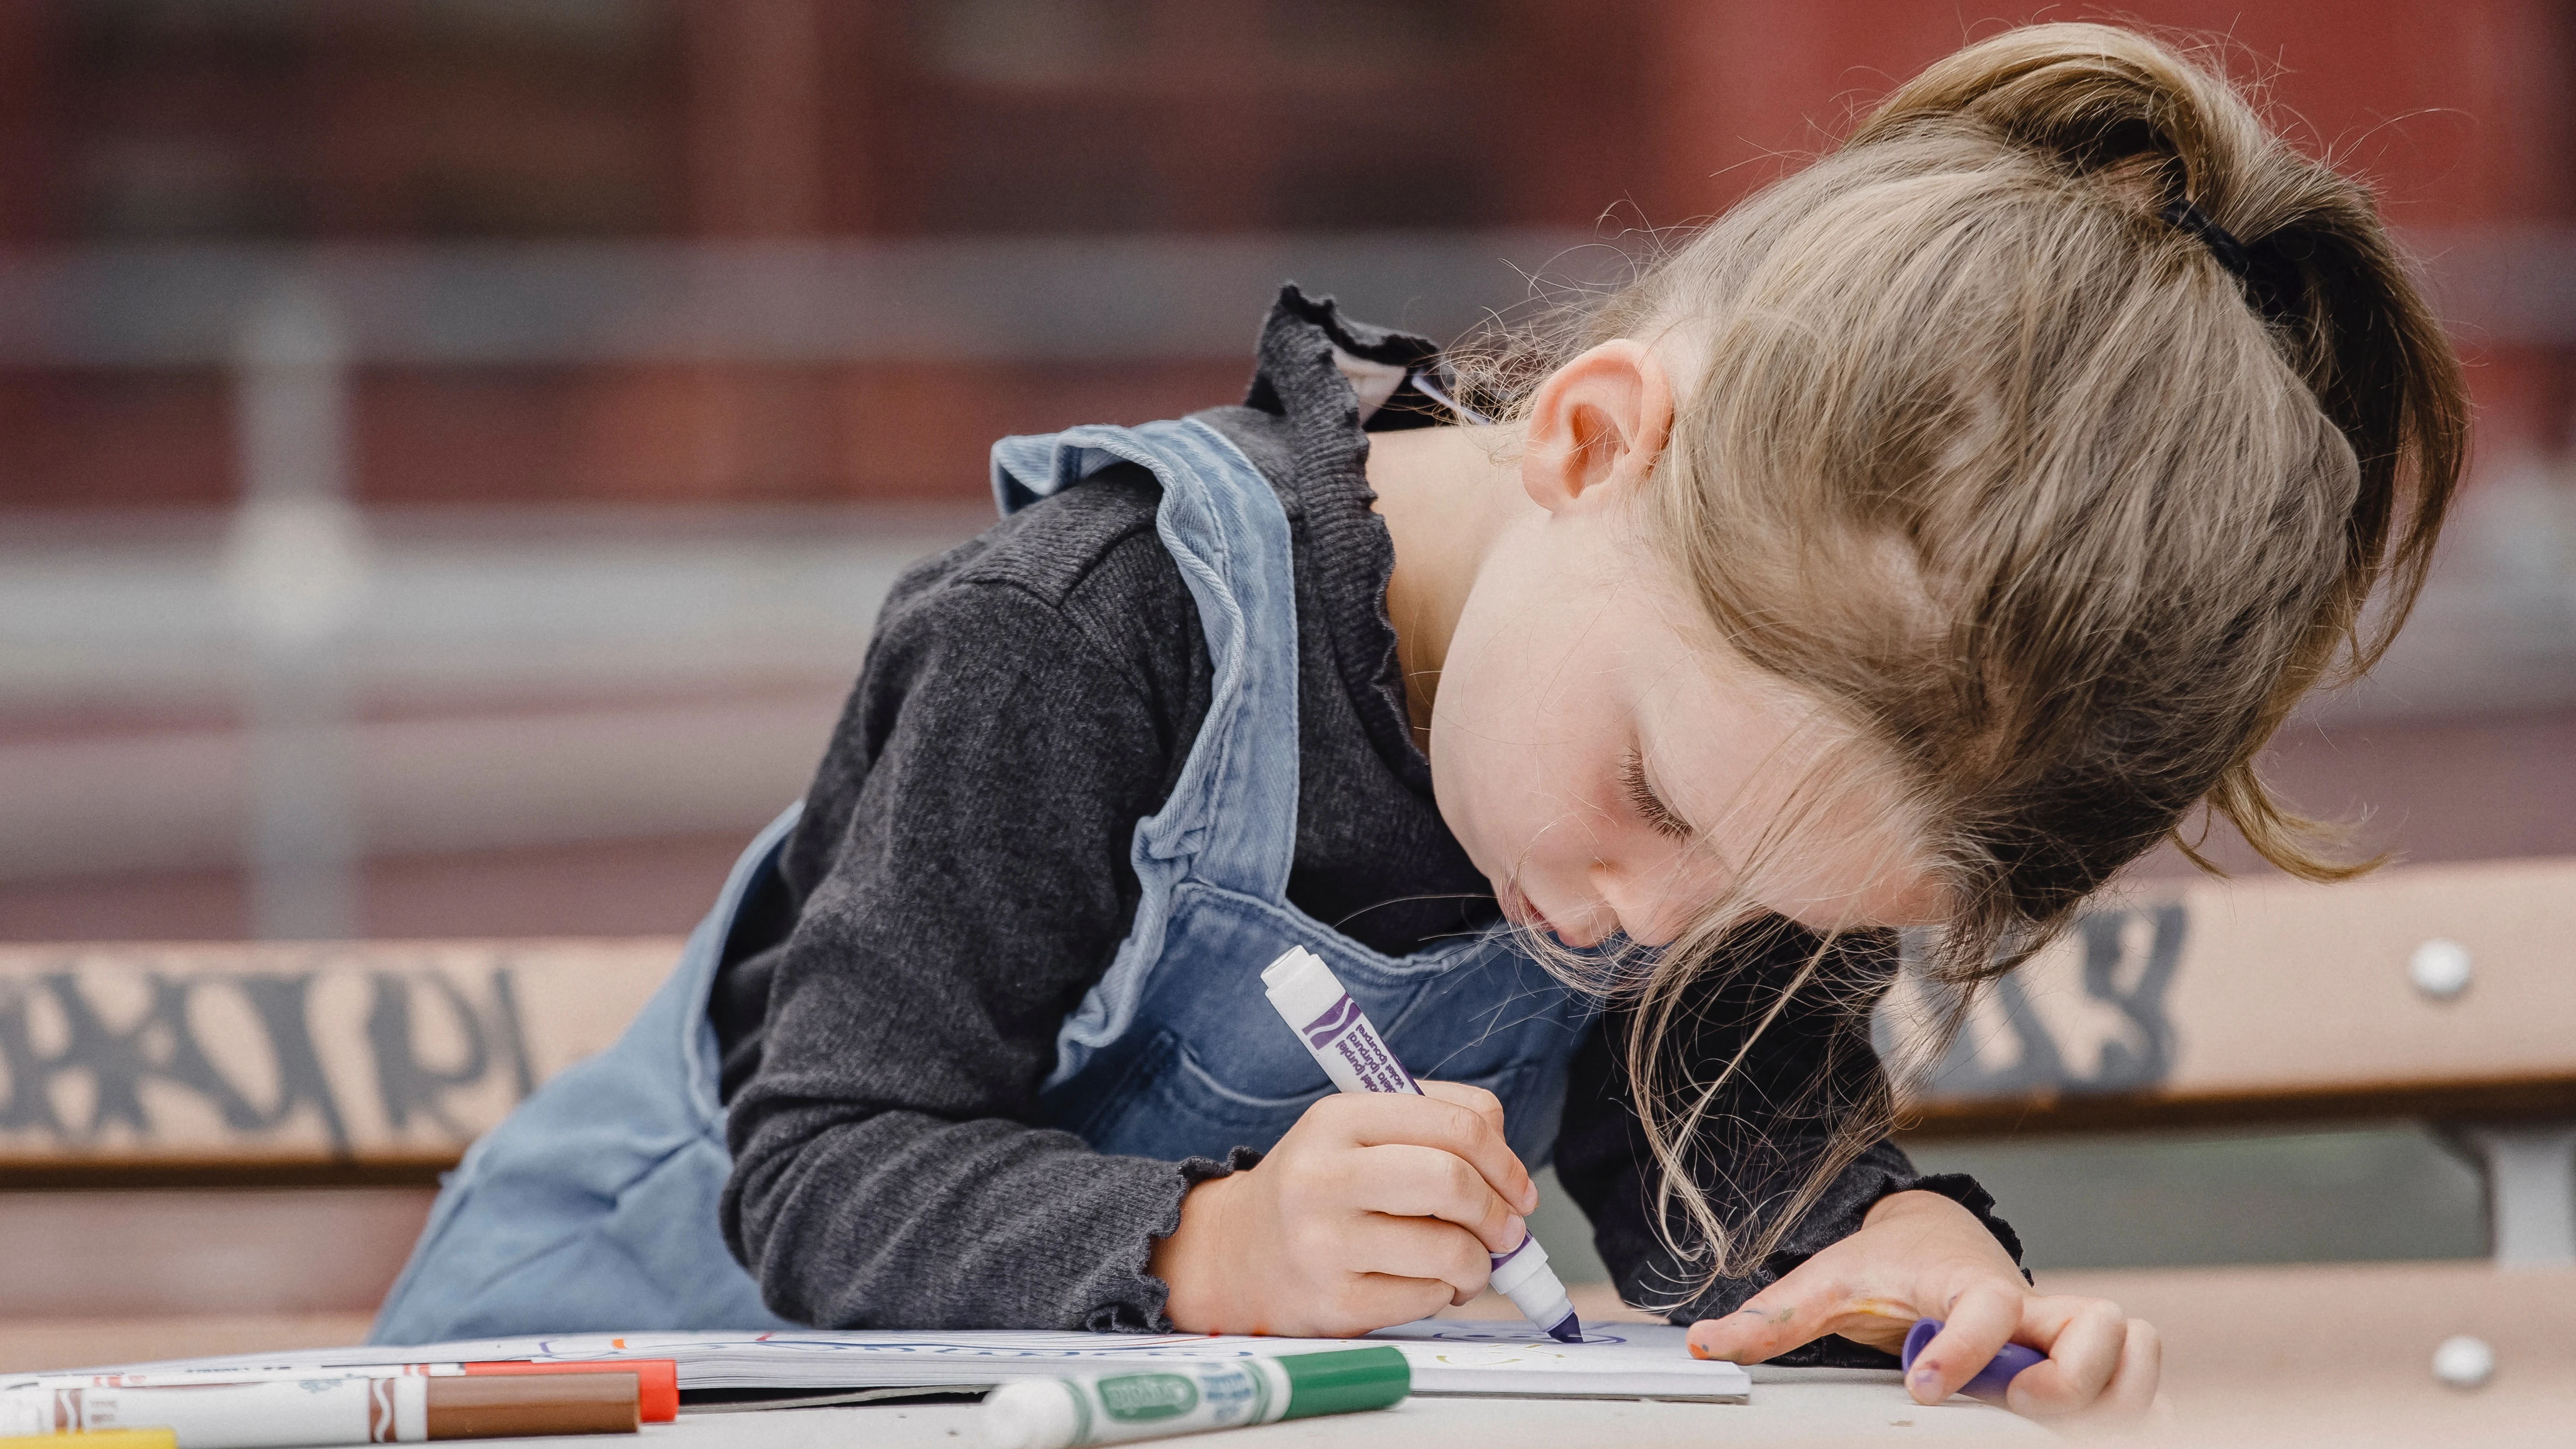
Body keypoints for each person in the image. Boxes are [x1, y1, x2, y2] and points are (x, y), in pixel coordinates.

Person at [371, 23, 2464, 1426]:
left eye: (1770, 900)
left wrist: (1881, 1249)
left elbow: (1706, 1130)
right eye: (1652, 796)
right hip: (623, 1362)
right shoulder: (1089, 633)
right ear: (1591, 434)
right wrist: (1216, 1246)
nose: (1634, 921)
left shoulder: (1753, 760)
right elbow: (824, 1164)